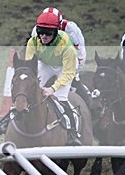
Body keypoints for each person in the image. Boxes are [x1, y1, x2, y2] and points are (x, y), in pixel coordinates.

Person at [25, 10, 82, 145]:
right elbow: (29, 67)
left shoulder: (67, 46)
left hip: (63, 67)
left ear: (56, 32)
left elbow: (68, 74)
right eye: (41, 32)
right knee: (27, 90)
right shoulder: (33, 42)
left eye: (48, 33)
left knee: (61, 98)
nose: (43, 36)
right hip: (45, 64)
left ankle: (72, 132)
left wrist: (52, 88)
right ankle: (10, 119)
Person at [30, 7, 90, 102]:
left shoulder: (71, 29)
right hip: (47, 62)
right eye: (41, 30)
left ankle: (88, 103)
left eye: (49, 31)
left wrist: (75, 72)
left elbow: (81, 54)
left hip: (67, 62)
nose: (44, 35)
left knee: (61, 96)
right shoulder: (35, 32)